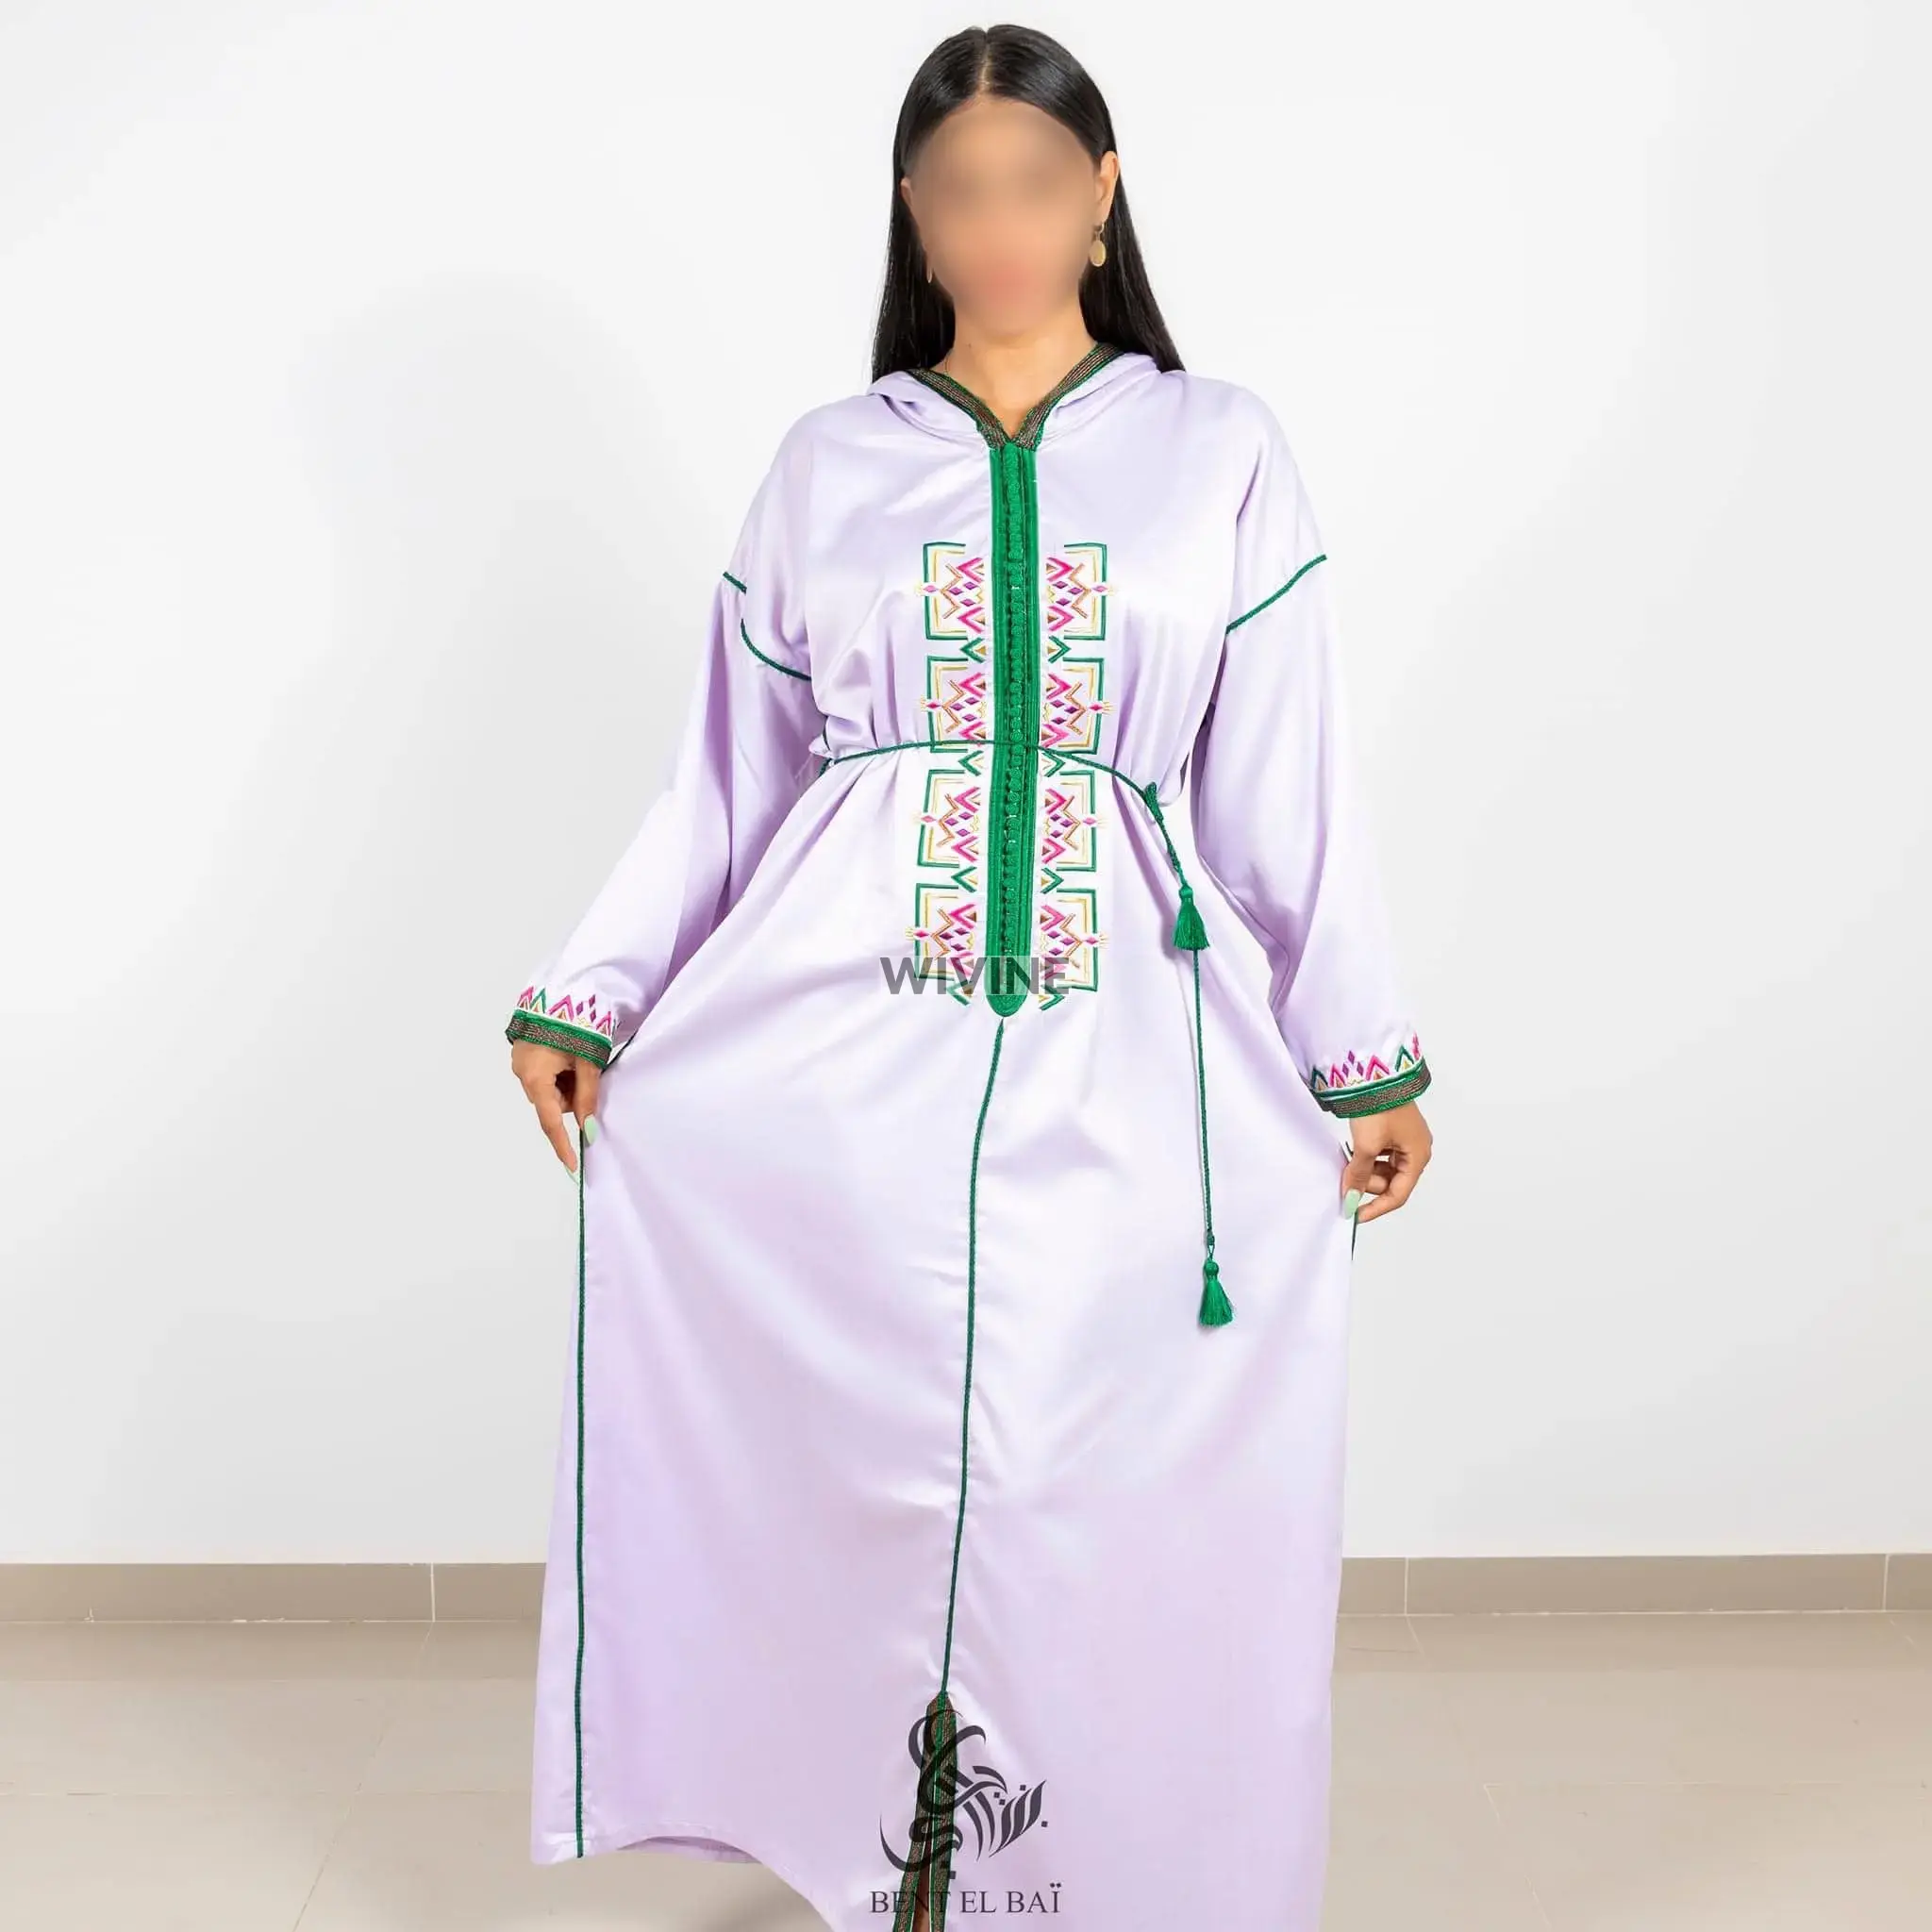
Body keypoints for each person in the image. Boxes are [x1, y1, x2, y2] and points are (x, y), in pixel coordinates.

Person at [504, 23, 1433, 1932]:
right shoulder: (829, 463)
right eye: (957, 193)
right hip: (841, 1034)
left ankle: (1077, 1870)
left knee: (1086, 1481)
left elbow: (1288, 782)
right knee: (861, 1467)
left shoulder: (1219, 449)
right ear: (914, 221)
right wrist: (593, 993)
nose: (997, 226)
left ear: (1102, 199)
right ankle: (895, 1862)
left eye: (1034, 184)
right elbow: (728, 780)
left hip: (1132, 1035)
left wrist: (1360, 1052)